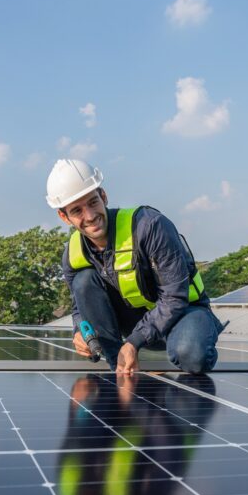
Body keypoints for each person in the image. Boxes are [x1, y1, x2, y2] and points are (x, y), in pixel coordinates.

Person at [47, 158, 224, 374]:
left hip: (183, 314)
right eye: (77, 211)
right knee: (83, 281)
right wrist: (79, 331)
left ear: (103, 196)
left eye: (93, 202)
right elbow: (79, 307)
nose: (90, 216)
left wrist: (134, 342)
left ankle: (202, 334)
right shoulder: (73, 254)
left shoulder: (149, 226)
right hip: (133, 323)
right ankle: (120, 366)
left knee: (192, 356)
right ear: (64, 216)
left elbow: (175, 297)